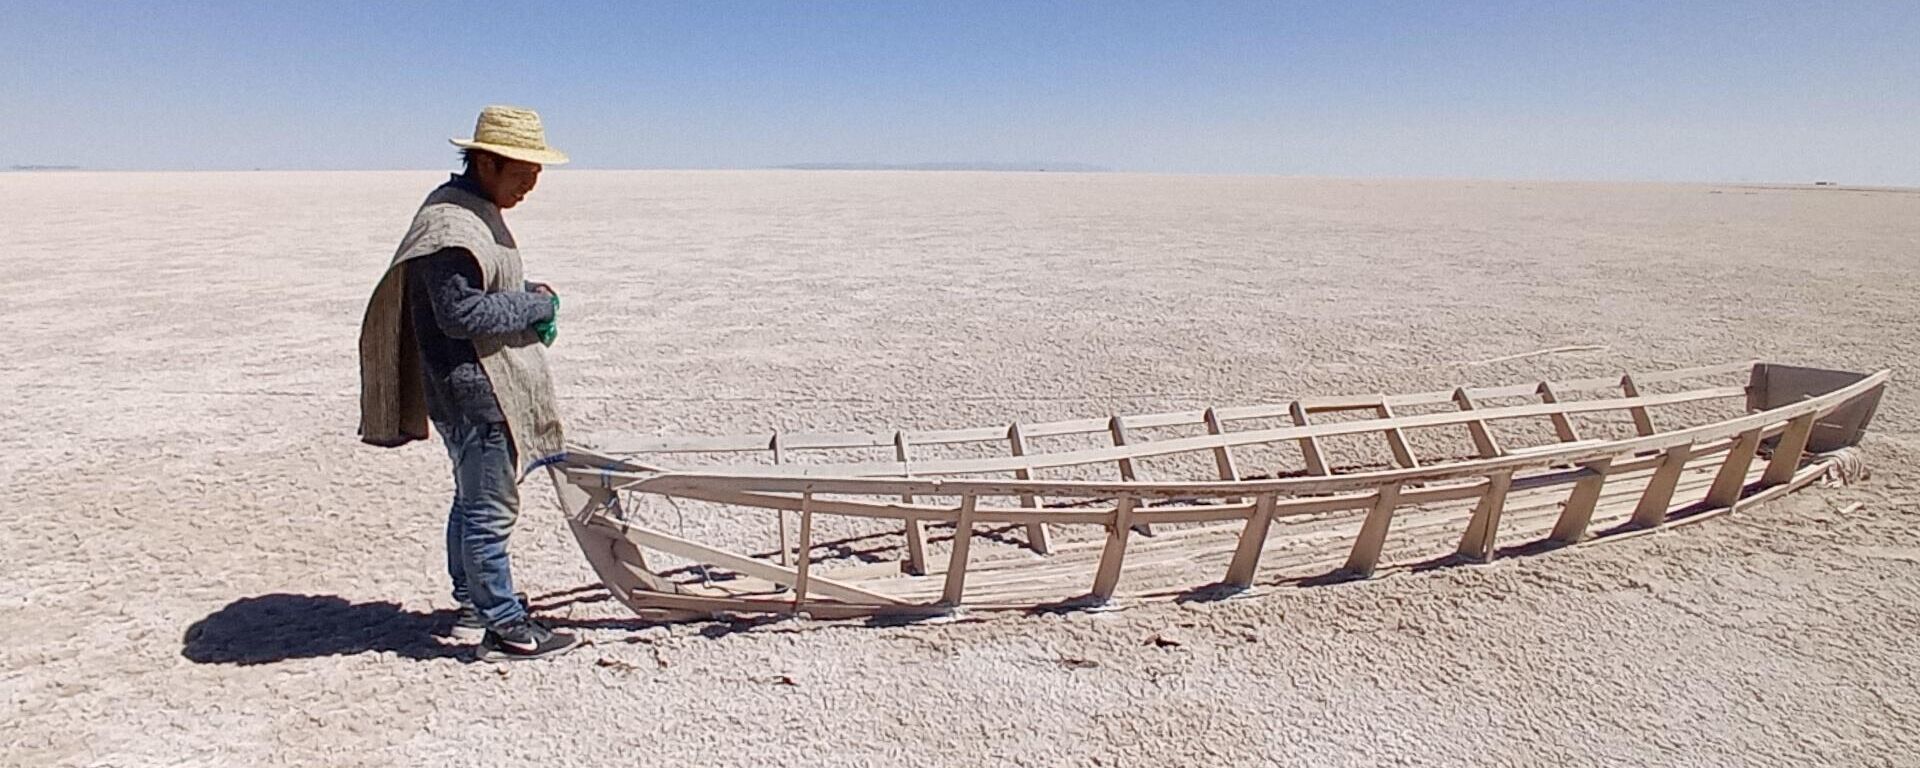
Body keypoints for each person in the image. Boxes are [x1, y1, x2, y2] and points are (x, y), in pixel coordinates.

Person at [357, 105, 580, 662]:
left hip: (462, 389)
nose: (531, 186)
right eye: (523, 174)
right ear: (486, 162)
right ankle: (505, 626)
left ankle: (474, 604)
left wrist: (524, 289)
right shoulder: (454, 228)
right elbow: (461, 312)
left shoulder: (465, 208)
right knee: (490, 510)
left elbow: (475, 289)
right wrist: (534, 304)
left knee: (473, 500)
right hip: (477, 391)